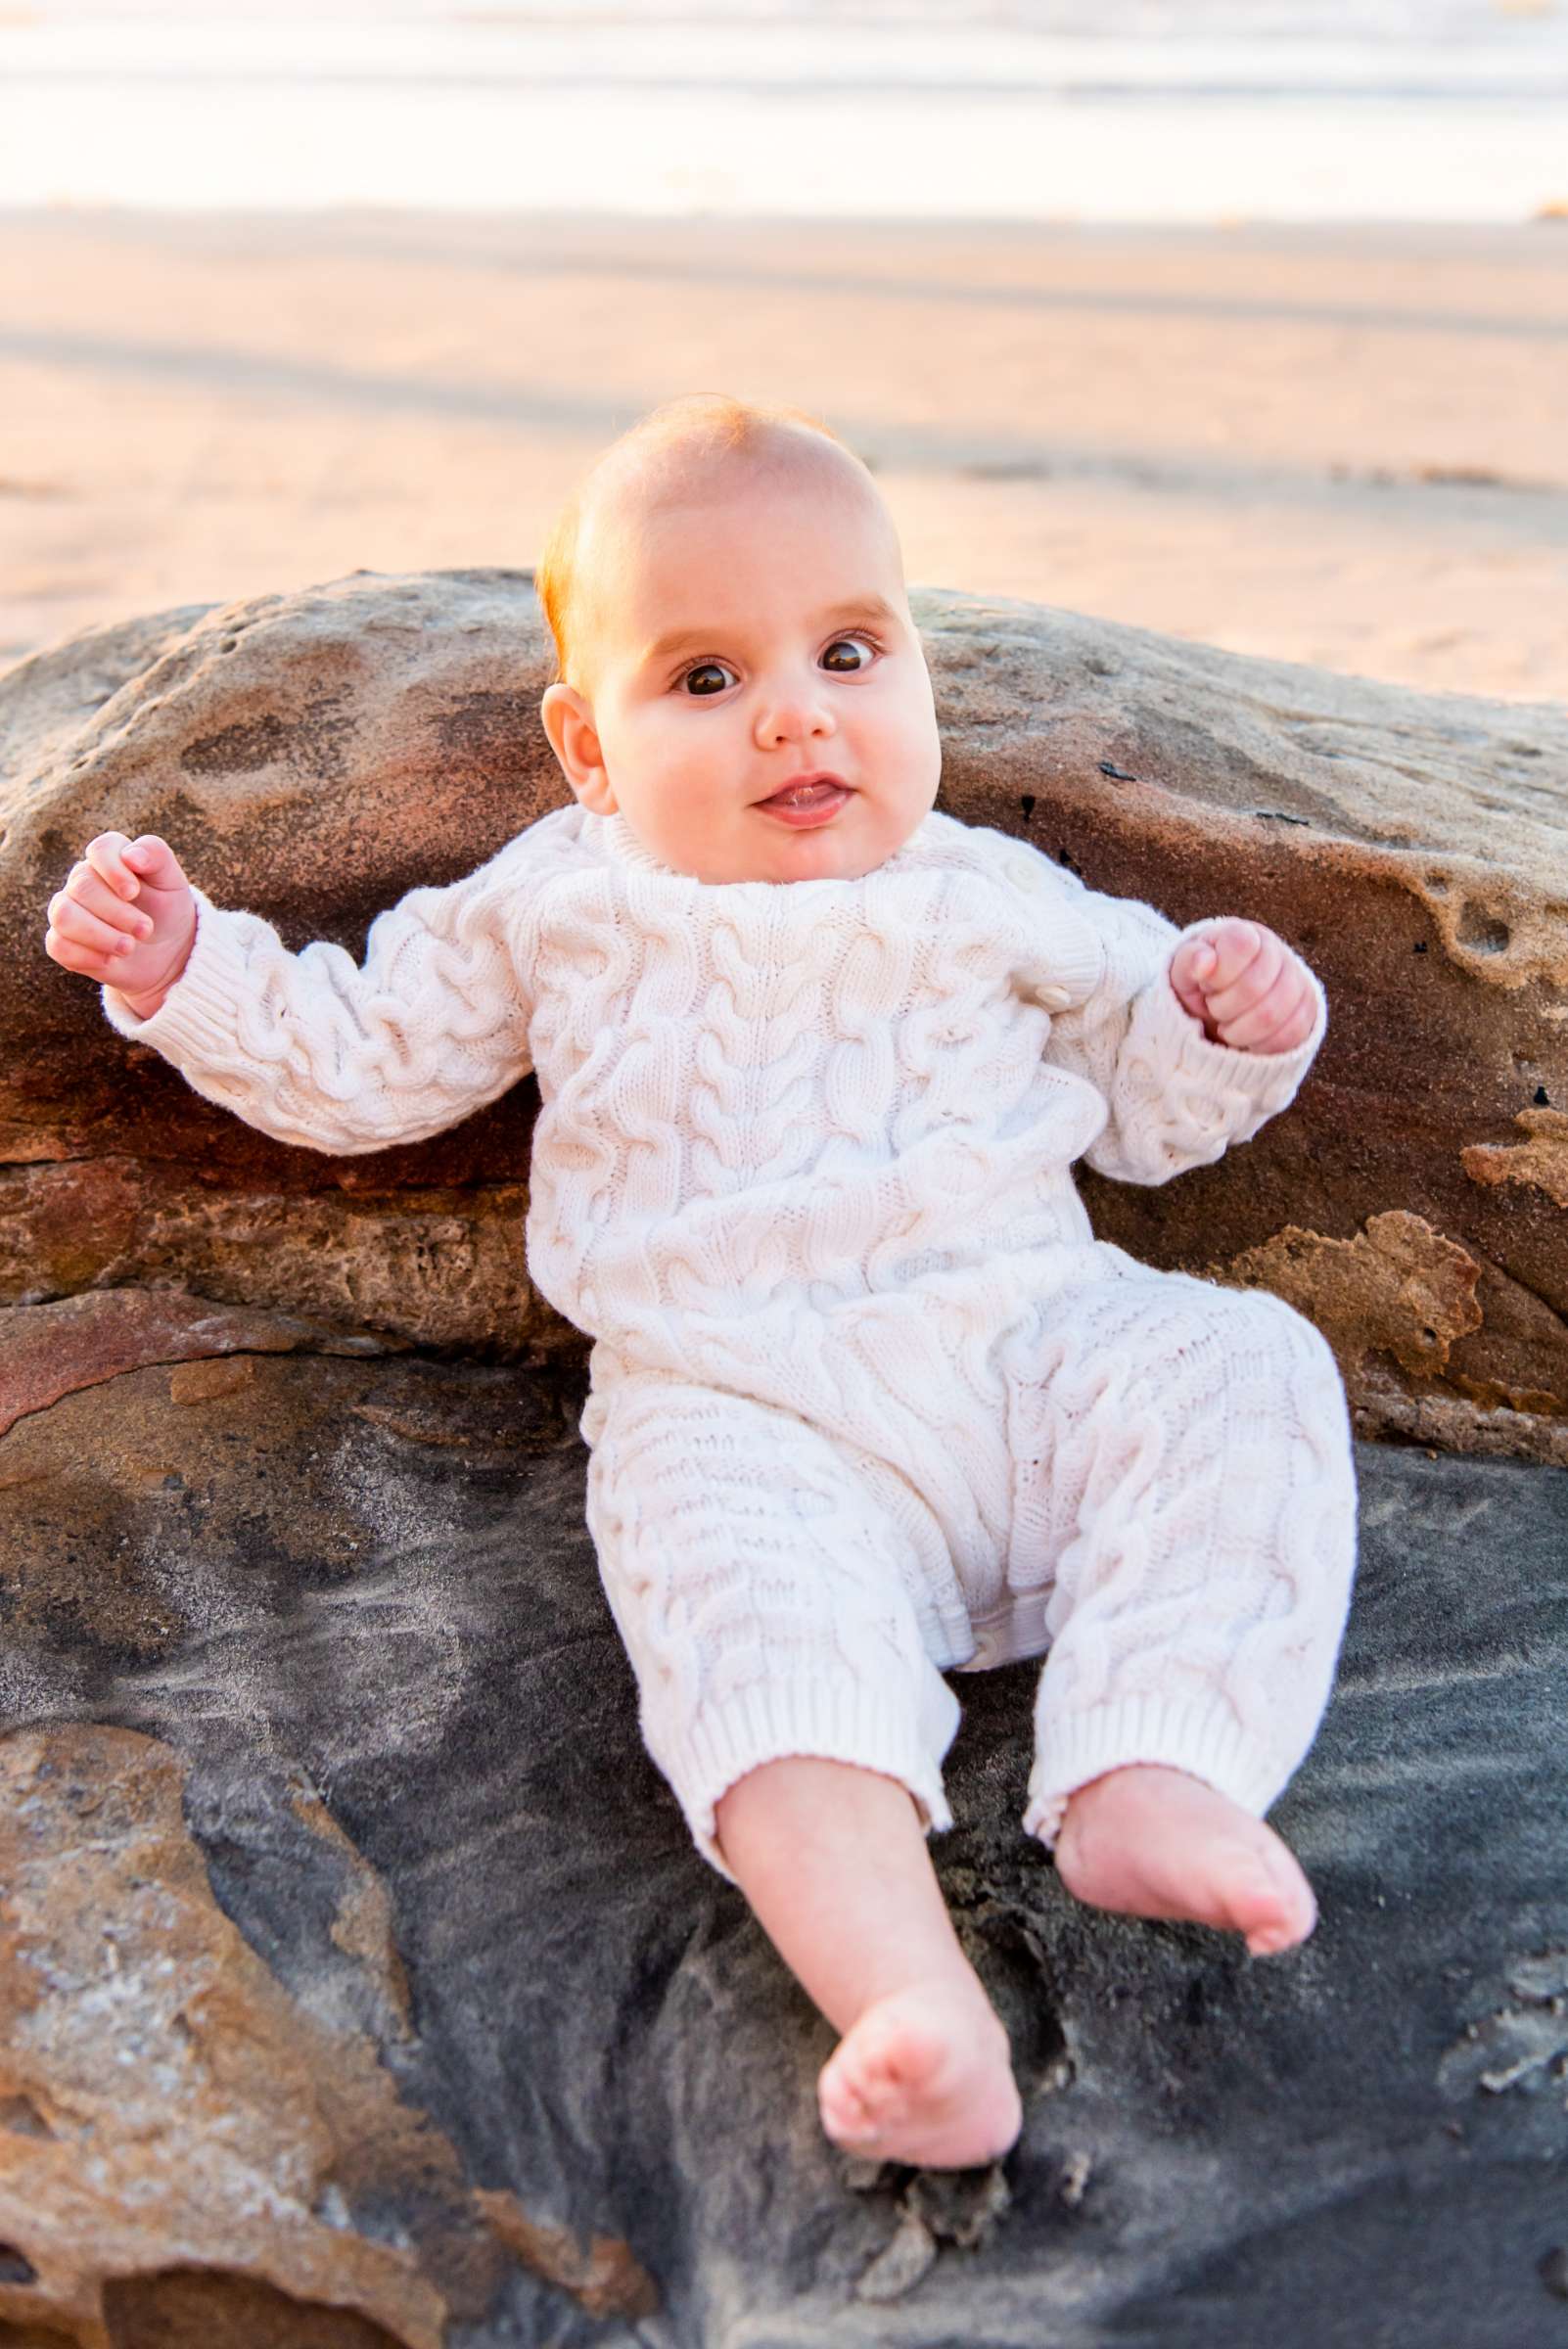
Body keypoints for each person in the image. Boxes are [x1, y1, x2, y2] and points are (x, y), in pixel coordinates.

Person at [45, 393, 1358, 2172]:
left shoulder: (991, 890)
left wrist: (1219, 1023)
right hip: (742, 1408)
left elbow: (1141, 1121)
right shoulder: (557, 902)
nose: (797, 713)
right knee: (739, 1646)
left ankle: (1158, 1761)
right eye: (707, 681)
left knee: (1238, 1365)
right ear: (588, 749)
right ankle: (905, 2000)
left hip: (1030, 1352)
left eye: (844, 651)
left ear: (914, 674)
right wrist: (193, 968)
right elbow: (364, 1061)